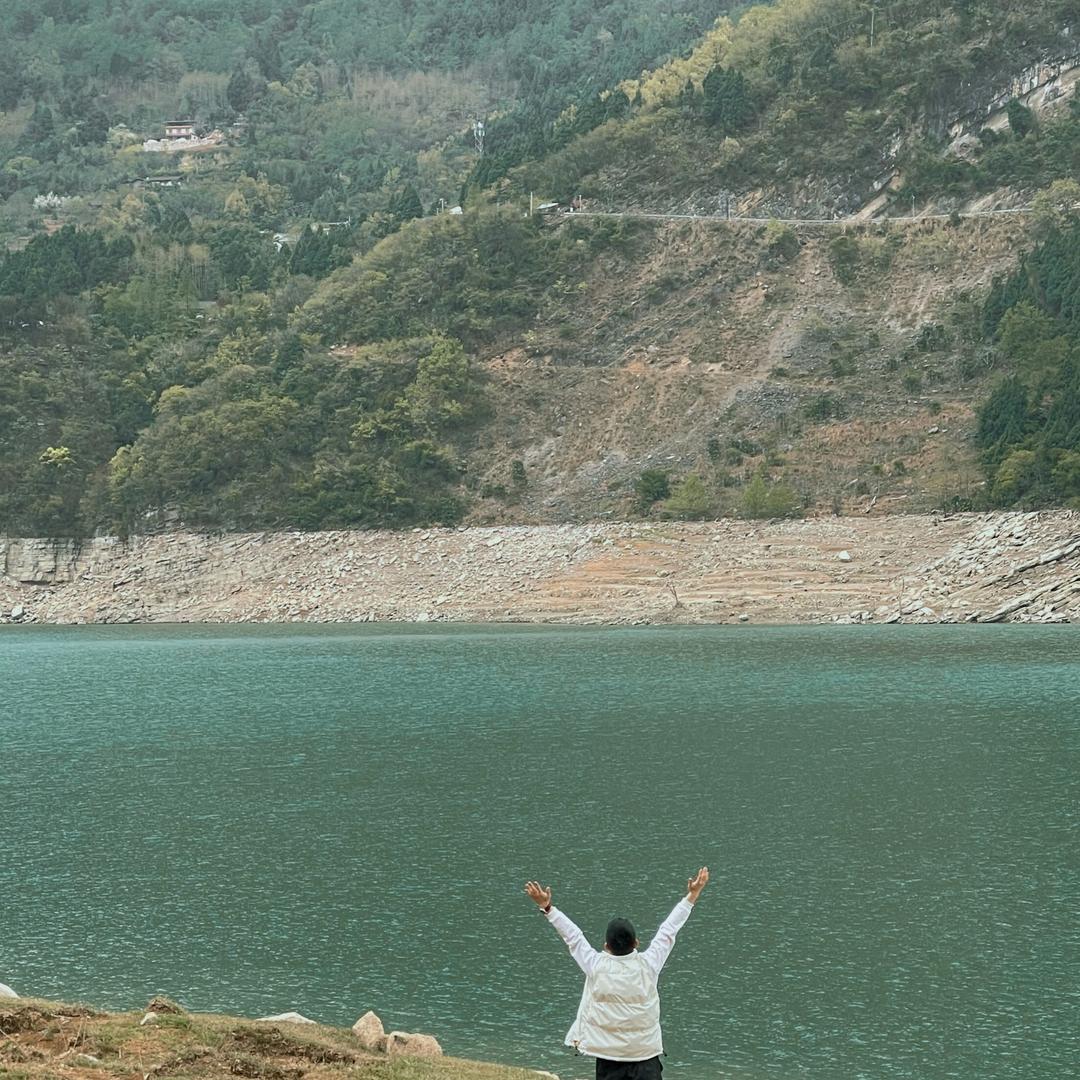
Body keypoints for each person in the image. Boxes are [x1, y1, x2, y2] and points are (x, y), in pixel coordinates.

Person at [524, 868, 709, 1080]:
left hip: (608, 1058)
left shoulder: (596, 965)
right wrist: (692, 895)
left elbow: (573, 937)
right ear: (636, 943)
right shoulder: (648, 965)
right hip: (646, 1057)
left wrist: (547, 907)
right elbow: (668, 931)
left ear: (606, 946)